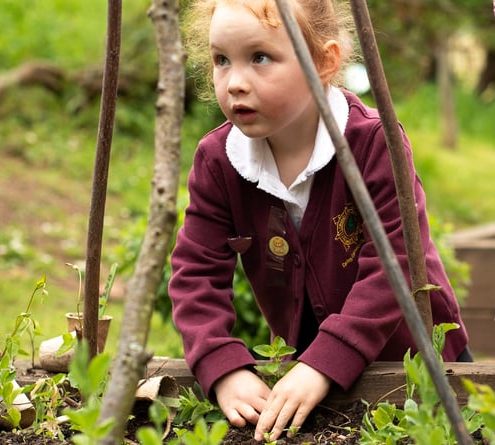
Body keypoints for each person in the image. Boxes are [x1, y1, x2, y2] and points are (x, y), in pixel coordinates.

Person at [168, 0, 470, 442]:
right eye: (221, 60)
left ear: (325, 62)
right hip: (309, 380)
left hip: (415, 367)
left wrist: (326, 359)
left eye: (260, 58)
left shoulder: (373, 144)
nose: (234, 82)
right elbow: (196, 272)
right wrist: (221, 363)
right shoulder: (220, 162)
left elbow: (398, 265)